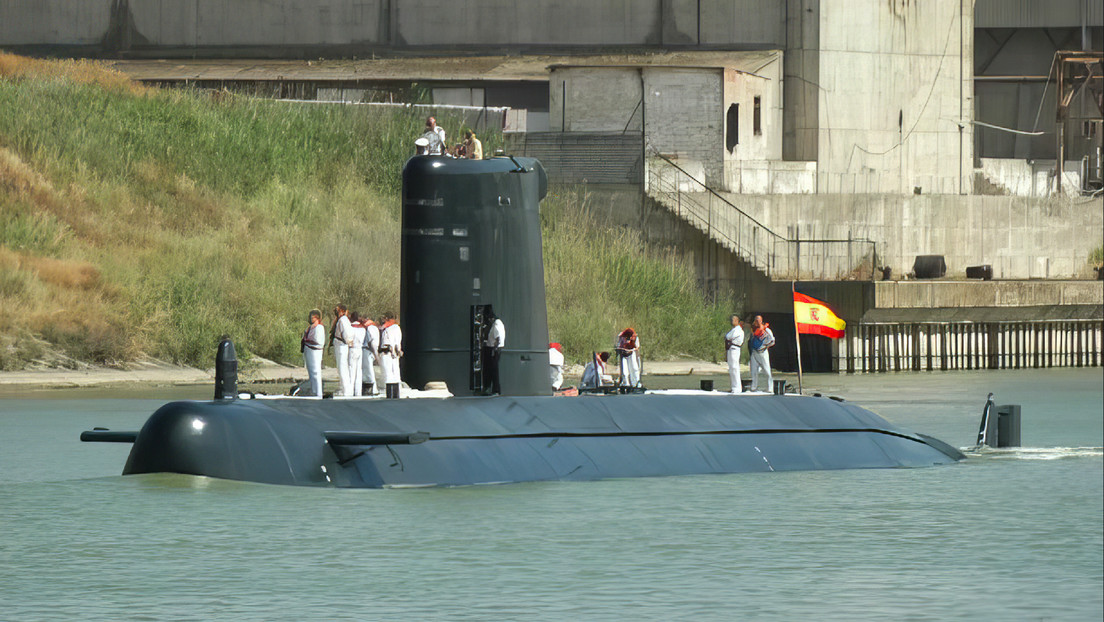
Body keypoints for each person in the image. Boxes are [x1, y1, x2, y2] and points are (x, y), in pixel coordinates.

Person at [300, 309, 325, 397]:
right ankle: (313, 390)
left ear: (316, 317)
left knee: (316, 372)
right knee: (311, 372)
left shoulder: (319, 327)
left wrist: (307, 340)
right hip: (309, 351)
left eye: (312, 317)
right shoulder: (310, 328)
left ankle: (318, 392)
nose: (310, 319)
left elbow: (318, 340)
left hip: (315, 351)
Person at [378, 312, 403, 399]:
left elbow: (396, 341)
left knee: (390, 373)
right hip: (388, 352)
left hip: (389, 352)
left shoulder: (394, 328)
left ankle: (393, 394)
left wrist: (396, 351)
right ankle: (392, 394)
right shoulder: (388, 328)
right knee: (390, 373)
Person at [748, 314, 776, 392]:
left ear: (761, 321)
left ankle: (770, 387)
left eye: (758, 320)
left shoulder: (766, 330)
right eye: (755, 320)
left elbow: (772, 341)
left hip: (762, 352)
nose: (756, 322)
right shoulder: (753, 330)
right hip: (754, 352)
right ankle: (754, 387)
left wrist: (766, 346)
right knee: (753, 370)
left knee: (767, 370)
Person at [330, 304, 353, 397]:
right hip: (339, 345)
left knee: (342, 367)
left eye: (337, 310)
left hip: (342, 345)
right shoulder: (341, 320)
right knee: (341, 368)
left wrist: (348, 341)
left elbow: (348, 334)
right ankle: (343, 388)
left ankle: (346, 390)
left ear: (342, 311)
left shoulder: (343, 320)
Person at [482, 306, 505, 395]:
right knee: (489, 370)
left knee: (494, 370)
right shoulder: (494, 323)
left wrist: (494, 350)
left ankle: (496, 390)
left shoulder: (497, 323)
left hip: (494, 349)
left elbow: (498, 338)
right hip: (490, 347)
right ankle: (488, 388)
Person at [724, 314, 745, 394]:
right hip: (730, 349)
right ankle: (733, 387)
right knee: (731, 368)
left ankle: (737, 388)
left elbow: (729, 337)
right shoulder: (734, 329)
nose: (731, 321)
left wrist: (727, 338)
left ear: (737, 321)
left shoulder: (738, 330)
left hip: (735, 349)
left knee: (735, 368)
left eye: (733, 320)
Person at [347, 311, 366, 397]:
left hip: (352, 349)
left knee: (351, 370)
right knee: (359, 371)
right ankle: (358, 392)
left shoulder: (351, 327)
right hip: (360, 349)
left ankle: (350, 391)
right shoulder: (363, 328)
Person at [361, 315, 380, 395]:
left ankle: (372, 389)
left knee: (368, 371)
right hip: (371, 351)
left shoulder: (369, 328)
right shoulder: (375, 328)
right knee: (369, 370)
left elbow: (371, 342)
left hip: (367, 350)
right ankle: (372, 388)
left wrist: (376, 354)